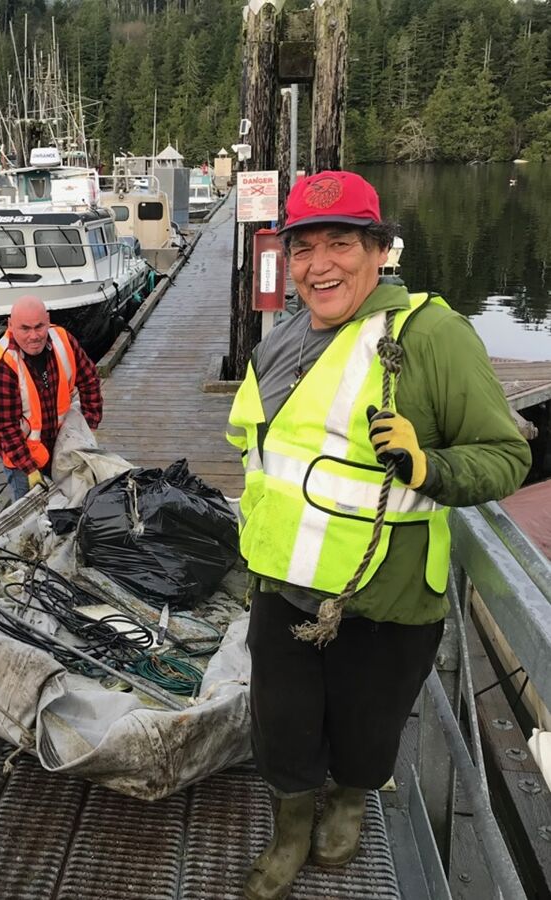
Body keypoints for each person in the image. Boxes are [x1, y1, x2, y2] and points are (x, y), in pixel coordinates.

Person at [226, 170, 530, 900]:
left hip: (384, 594)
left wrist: (429, 465)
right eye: (303, 248)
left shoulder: (430, 336)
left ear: (378, 251)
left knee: (367, 732)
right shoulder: (284, 338)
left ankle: (353, 800)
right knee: (283, 728)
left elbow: (508, 455)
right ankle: (291, 825)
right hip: (283, 583)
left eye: (340, 244)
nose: (319, 265)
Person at [0, 296, 103, 501]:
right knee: (32, 521)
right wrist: (30, 469)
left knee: (74, 505)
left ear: (48, 320)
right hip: (23, 459)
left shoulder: (62, 340)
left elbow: (89, 379)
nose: (34, 336)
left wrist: (89, 425)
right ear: (10, 325)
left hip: (62, 445)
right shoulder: (0, 365)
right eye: (25, 328)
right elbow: (5, 428)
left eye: (39, 326)